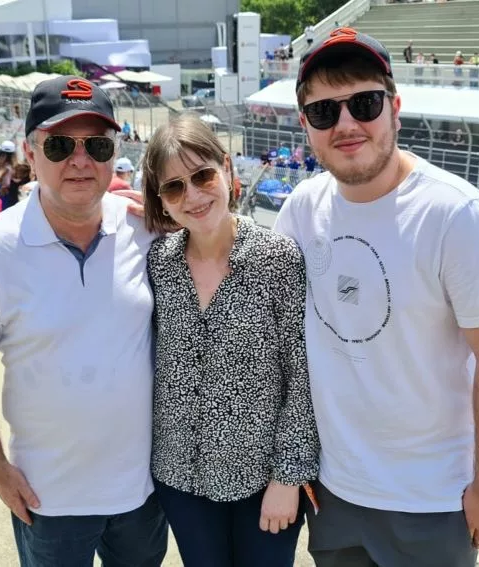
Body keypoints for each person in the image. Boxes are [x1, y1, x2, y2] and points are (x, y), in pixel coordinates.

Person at [273, 27, 479, 566]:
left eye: (363, 103)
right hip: (335, 489)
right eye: (324, 112)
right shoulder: (302, 207)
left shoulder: (456, 215)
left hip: (432, 500)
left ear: (394, 108)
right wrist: (154, 221)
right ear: (306, 127)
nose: (345, 125)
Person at [0, 75, 167, 567]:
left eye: (98, 145)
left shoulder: (146, 229)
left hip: (142, 490)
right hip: (49, 498)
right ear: (31, 150)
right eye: (61, 144)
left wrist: (177, 215)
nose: (81, 161)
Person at [141, 113, 319, 566]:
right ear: (162, 199)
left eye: (202, 176)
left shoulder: (276, 259)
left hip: (261, 480)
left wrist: (288, 476)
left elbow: (302, 374)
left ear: (227, 170)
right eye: (174, 187)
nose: (194, 196)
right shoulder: (158, 262)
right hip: (180, 476)